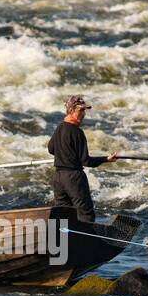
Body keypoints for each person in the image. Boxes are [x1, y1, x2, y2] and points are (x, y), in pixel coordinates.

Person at [47, 95, 118, 224]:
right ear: (71, 110)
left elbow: (51, 149)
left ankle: (60, 242)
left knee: (62, 214)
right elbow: (86, 161)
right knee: (85, 213)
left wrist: (65, 154)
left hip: (58, 177)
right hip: (74, 177)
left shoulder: (59, 128)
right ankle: (88, 242)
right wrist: (106, 159)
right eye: (81, 110)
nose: (83, 113)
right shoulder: (77, 132)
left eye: (84, 110)